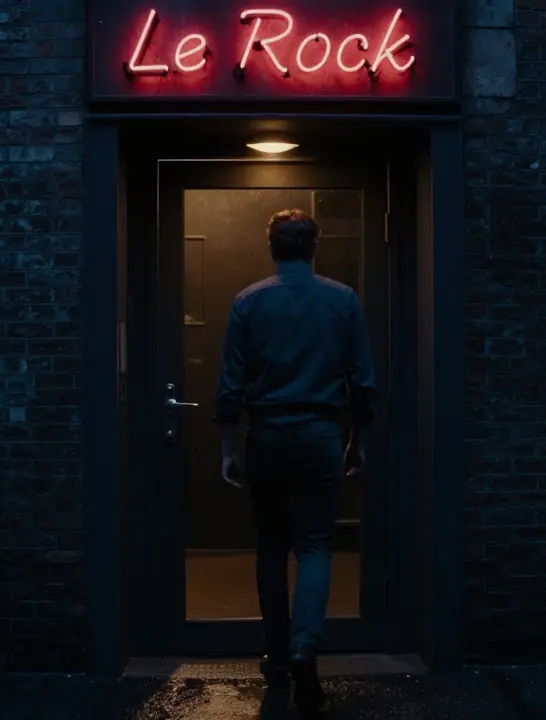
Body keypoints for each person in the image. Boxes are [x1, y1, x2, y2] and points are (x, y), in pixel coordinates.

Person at [213, 209, 375, 716]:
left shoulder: (248, 301)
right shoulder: (342, 300)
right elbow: (362, 381)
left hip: (268, 433)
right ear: (314, 247)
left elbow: (231, 384)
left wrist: (227, 446)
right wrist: (359, 438)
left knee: (270, 545)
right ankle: (306, 646)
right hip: (320, 431)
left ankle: (278, 654)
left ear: (272, 248)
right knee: (315, 545)